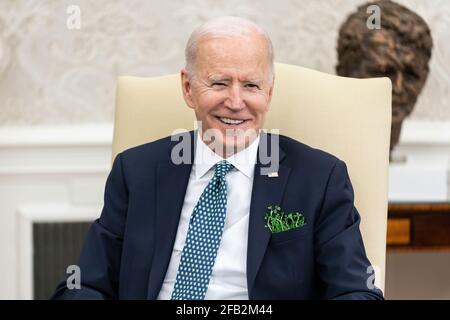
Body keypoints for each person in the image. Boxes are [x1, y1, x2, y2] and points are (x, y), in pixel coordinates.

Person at [52, 16, 383, 300]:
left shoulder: (320, 178)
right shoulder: (135, 171)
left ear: (269, 92)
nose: (236, 102)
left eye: (251, 85)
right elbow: (86, 284)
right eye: (219, 83)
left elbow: (355, 290)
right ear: (187, 88)